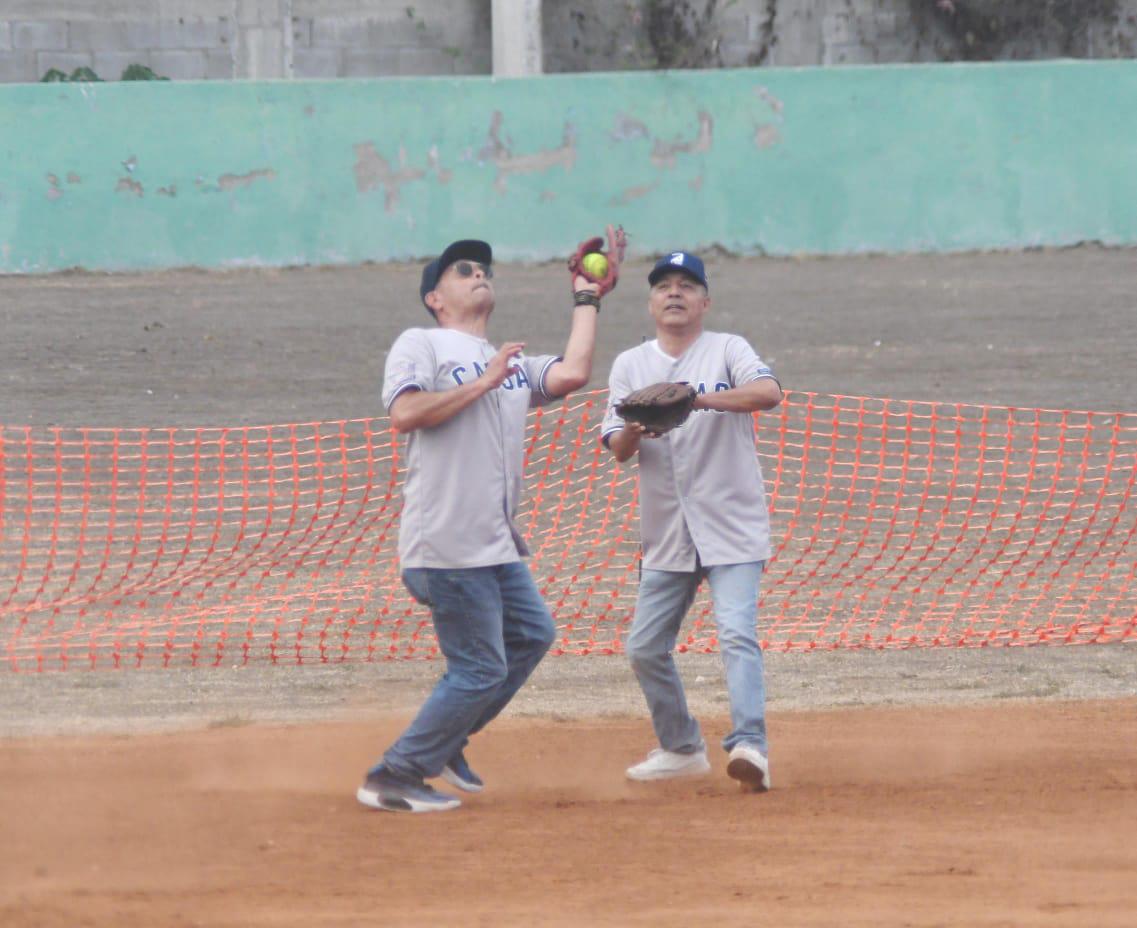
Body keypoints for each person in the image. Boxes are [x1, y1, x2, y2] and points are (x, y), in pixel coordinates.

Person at [358, 229, 625, 813]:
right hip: (446, 543)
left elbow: (573, 374)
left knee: (532, 635)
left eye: (483, 269)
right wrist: (484, 382)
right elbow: (404, 413)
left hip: (494, 546)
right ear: (435, 298)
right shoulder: (422, 344)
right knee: (480, 668)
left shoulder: (510, 364)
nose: (478, 273)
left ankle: (445, 739)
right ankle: (394, 774)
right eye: (462, 270)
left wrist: (588, 297)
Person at [601, 250, 782, 792]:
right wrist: (636, 428)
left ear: (705, 301)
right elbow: (617, 449)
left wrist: (698, 399)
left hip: (732, 525)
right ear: (651, 303)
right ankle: (681, 748)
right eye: (664, 286)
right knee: (644, 648)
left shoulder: (728, 349)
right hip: (668, 533)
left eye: (686, 285)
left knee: (736, 633)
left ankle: (750, 746)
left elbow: (769, 393)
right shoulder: (630, 365)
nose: (674, 292)